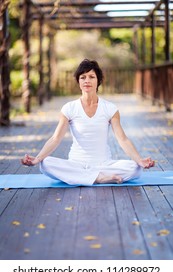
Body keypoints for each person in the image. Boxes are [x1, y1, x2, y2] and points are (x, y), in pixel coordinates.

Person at [21, 59, 155, 185]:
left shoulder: (110, 109)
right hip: (76, 164)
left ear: (98, 81)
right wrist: (37, 159)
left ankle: (88, 177)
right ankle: (99, 178)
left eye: (91, 76)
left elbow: (122, 139)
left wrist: (139, 160)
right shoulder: (69, 108)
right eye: (82, 77)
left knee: (135, 168)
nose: (87, 81)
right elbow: (55, 139)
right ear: (78, 81)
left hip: (103, 164)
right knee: (45, 164)